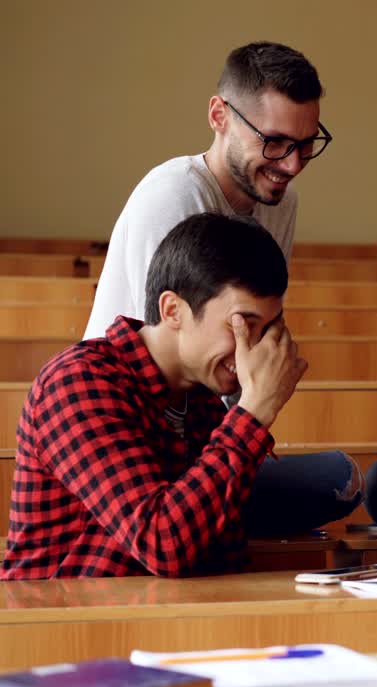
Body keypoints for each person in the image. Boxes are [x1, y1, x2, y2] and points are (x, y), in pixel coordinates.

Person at [81, 41, 358, 536]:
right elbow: (183, 346)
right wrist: (251, 417)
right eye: (274, 142)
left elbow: (256, 336)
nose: (292, 164)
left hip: (208, 418)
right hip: (147, 434)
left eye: (306, 144)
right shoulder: (172, 196)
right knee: (335, 479)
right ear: (219, 116)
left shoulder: (280, 201)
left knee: (347, 479)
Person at [3, 213, 306, 579]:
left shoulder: (204, 405)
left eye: (268, 329)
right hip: (65, 626)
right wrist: (254, 413)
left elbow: (224, 557)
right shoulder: (78, 381)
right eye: (242, 324)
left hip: (158, 620)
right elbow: (162, 544)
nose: (252, 349)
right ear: (172, 310)